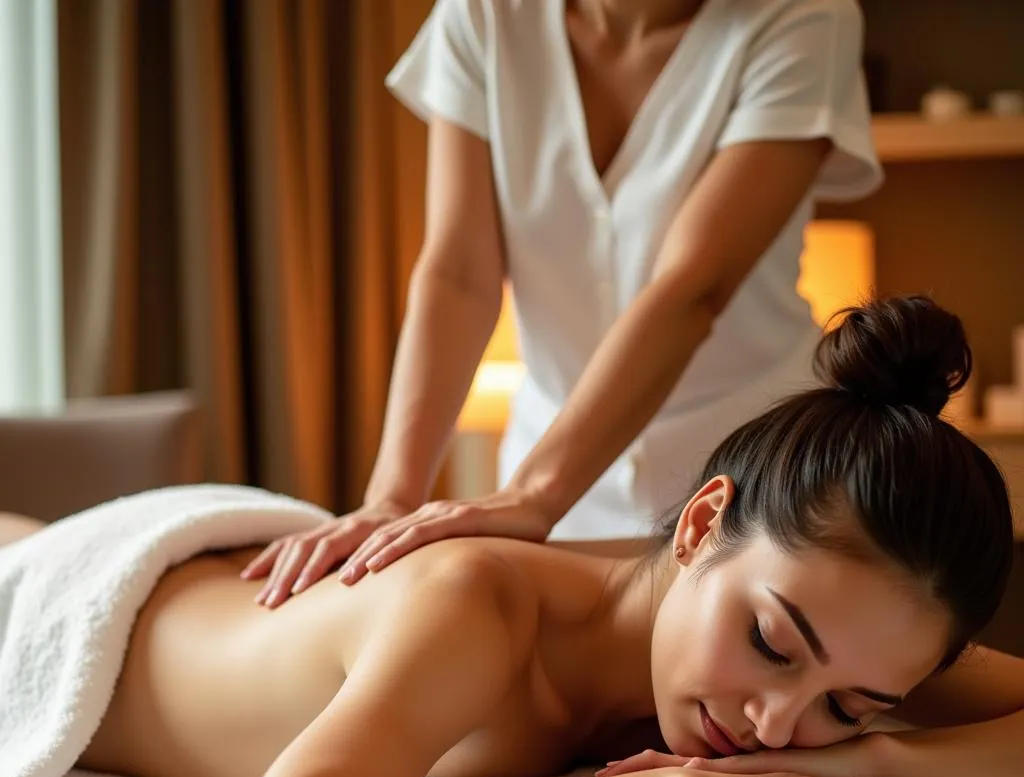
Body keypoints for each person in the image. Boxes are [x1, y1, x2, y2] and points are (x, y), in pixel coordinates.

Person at [13, 299, 1022, 777]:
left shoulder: (835, 632)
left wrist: (864, 759)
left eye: (846, 703)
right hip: (54, 602)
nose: (773, 724)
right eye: (768, 642)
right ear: (704, 522)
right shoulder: (477, 603)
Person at [244, 0, 886, 608]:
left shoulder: (803, 16)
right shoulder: (485, 15)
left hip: (760, 473)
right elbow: (459, 273)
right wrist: (391, 498)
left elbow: (694, 286)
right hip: (557, 470)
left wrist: (534, 493)